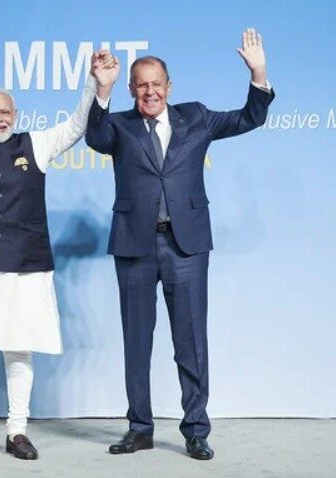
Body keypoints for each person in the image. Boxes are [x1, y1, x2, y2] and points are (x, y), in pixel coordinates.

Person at [85, 28, 274, 460]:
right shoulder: (118, 125)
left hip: (186, 246)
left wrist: (259, 74)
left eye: (157, 84)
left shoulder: (197, 117)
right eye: (141, 84)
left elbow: (249, 117)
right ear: (132, 89)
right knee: (137, 342)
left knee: (190, 341)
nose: (150, 91)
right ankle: (140, 427)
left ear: (169, 87)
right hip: (135, 246)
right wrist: (103, 89)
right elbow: (94, 137)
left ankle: (195, 429)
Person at [0, 50, 118, 460]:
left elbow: (76, 125)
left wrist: (96, 84)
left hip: (26, 264)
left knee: (20, 347)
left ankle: (17, 431)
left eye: (4, 112)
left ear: (16, 114)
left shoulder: (37, 143)